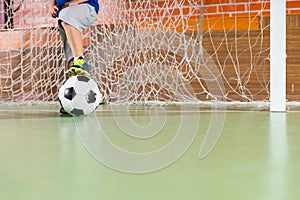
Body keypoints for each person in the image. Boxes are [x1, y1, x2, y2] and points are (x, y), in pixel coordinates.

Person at [49, 0, 99, 77]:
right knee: (71, 60)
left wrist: (75, 2)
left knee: (66, 16)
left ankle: (80, 61)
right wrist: (51, 5)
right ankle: (78, 72)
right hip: (64, 15)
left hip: (86, 7)